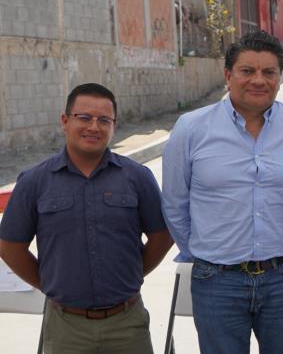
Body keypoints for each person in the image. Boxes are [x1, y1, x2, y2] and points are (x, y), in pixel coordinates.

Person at [162, 31, 283, 354]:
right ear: (228, 75)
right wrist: (205, 252)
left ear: (280, 77)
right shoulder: (191, 129)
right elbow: (174, 203)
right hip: (217, 281)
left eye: (269, 72)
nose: (258, 80)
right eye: (247, 71)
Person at [0, 83, 173, 353]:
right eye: (84, 117)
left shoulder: (137, 178)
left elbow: (162, 235)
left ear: (114, 125)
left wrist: (131, 275)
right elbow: (10, 246)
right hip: (65, 327)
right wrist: (50, 283)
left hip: (127, 324)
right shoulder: (34, 181)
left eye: (104, 120)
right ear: (65, 121)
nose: (94, 127)